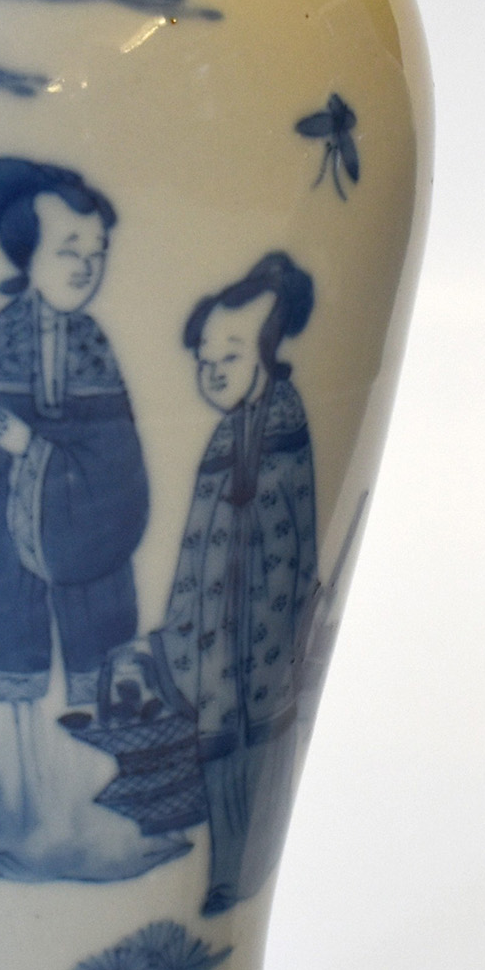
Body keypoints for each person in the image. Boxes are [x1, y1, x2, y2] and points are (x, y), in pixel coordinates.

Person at [0, 157, 176, 882]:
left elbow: (121, 466)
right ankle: (28, 834)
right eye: (68, 250)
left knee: (93, 689)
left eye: (95, 253)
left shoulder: (96, 346)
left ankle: (105, 832)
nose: (85, 267)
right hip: (5, 563)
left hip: (89, 562)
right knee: (22, 696)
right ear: (27, 254)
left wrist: (33, 449)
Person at [159, 253, 319, 915]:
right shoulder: (224, 435)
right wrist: (178, 625)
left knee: (265, 742)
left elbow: (296, 531)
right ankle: (226, 872)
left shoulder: (285, 422)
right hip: (216, 633)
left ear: (266, 353)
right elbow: (196, 541)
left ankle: (239, 873)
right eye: (205, 361)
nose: (213, 373)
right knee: (220, 746)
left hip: (267, 623)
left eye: (229, 357)